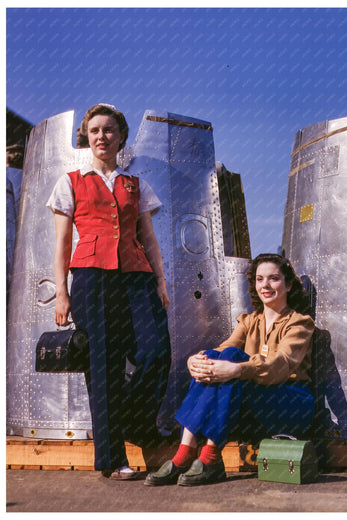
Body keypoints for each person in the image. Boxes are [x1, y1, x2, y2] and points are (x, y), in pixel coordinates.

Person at [46, 103, 171, 480]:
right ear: (87, 136)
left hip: (136, 278)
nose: (102, 136)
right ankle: (112, 459)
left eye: (109, 130)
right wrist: (62, 293)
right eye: (95, 130)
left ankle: (132, 421)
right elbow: (62, 243)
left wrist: (160, 282)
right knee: (104, 367)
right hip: (91, 280)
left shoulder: (136, 184)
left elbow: (148, 238)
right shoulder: (70, 181)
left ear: (121, 137)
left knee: (156, 352)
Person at [145, 253, 315, 487]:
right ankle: (187, 451)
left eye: (274, 279)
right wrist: (196, 361)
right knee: (215, 356)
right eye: (259, 279)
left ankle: (209, 457)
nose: (265, 285)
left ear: (287, 284)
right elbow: (221, 350)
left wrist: (236, 370)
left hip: (290, 405)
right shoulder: (249, 321)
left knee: (233, 360)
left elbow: (280, 364)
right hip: (257, 404)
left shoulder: (300, 323)